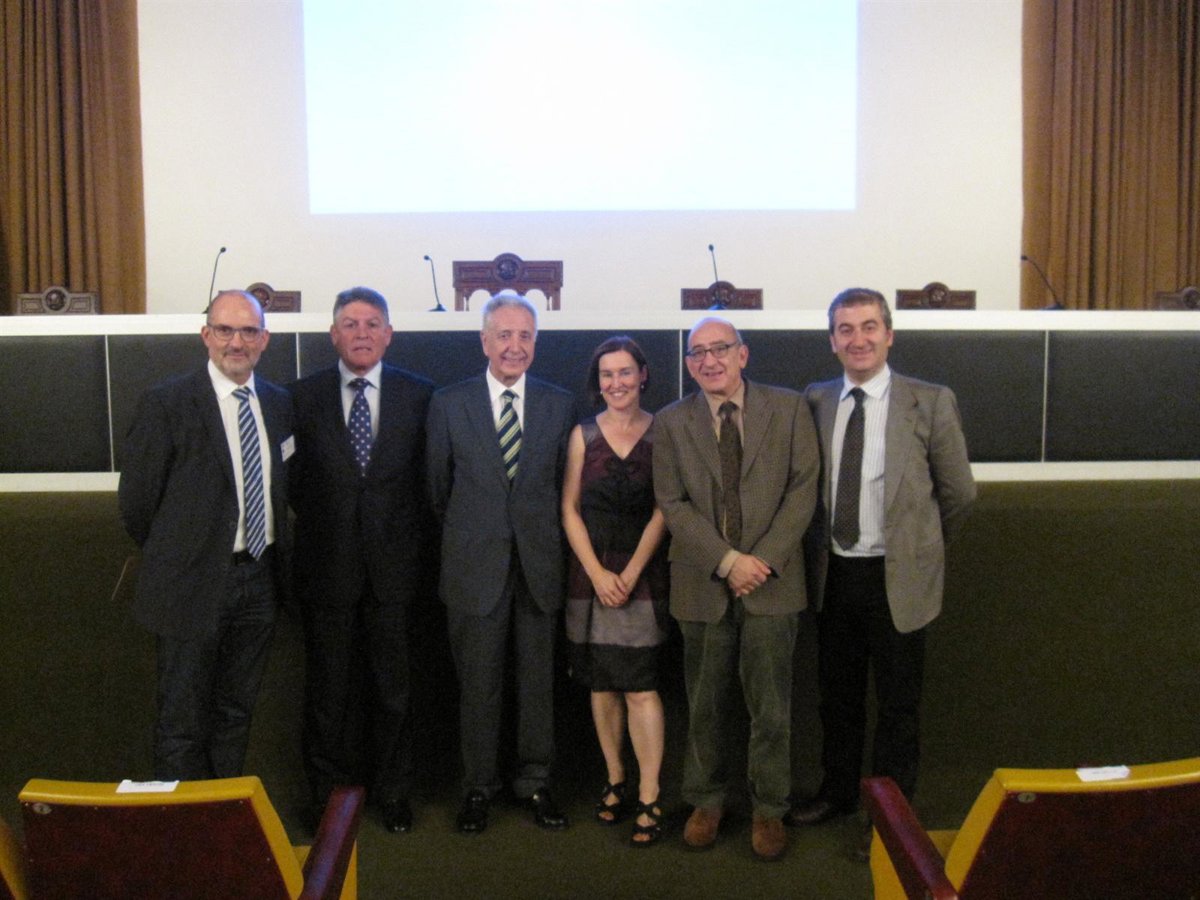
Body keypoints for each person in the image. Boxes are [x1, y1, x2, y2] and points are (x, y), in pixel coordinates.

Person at [789, 288, 976, 859]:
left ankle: (891, 815)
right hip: (833, 575)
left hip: (898, 579)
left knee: (897, 706)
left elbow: (959, 493)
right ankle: (838, 792)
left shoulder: (930, 400)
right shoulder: (816, 400)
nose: (859, 339)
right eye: (845, 329)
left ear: (889, 335)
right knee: (837, 698)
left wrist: (920, 549)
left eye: (869, 327)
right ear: (832, 341)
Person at [652, 316, 819, 862]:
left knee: (771, 708)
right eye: (697, 353)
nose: (709, 360)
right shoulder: (671, 421)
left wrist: (760, 561)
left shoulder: (789, 409)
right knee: (704, 704)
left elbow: (803, 489)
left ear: (742, 355)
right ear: (688, 364)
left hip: (773, 583)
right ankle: (706, 801)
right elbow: (672, 502)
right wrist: (727, 562)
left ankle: (769, 807)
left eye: (720, 348)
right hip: (701, 582)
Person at [118, 290, 293, 780]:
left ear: (264, 339)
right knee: (182, 721)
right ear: (206, 335)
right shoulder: (167, 403)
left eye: (249, 331)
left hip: (259, 581)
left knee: (236, 714)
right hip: (189, 584)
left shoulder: (279, 404)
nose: (237, 342)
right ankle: (181, 824)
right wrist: (182, 555)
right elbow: (136, 504)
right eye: (225, 330)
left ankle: (221, 816)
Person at [426, 290, 577, 834]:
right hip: (473, 569)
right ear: (484, 340)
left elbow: (564, 488)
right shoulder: (449, 403)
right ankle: (478, 788)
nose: (515, 346)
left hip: (538, 568)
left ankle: (535, 782)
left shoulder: (560, 404)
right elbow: (437, 490)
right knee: (478, 685)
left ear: (536, 342)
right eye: (505, 335)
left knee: (538, 684)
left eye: (525, 336)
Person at [289, 286, 434, 834]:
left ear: (389, 334)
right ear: (333, 334)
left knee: (394, 692)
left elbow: (429, 484)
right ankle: (327, 798)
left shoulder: (420, 396)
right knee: (328, 694)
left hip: (397, 573)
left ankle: (393, 793)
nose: (362, 333)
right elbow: (293, 484)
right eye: (350, 324)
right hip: (326, 571)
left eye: (373, 324)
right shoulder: (300, 397)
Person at [561, 336, 669, 847]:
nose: (617, 382)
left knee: (641, 687)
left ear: (642, 375)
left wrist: (630, 571)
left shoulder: (664, 431)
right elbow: (569, 509)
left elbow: (666, 508)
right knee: (602, 685)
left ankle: (650, 793)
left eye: (625, 372)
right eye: (607, 374)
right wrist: (598, 573)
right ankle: (615, 778)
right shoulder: (582, 434)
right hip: (590, 575)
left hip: (644, 573)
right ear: (597, 381)